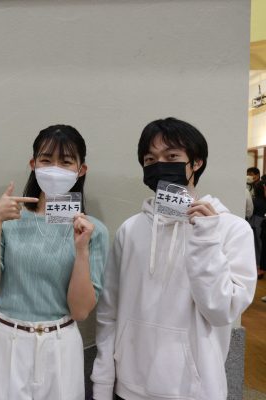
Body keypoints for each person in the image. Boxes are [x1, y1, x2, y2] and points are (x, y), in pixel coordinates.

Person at [91, 117, 257, 400]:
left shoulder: (232, 229)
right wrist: (103, 384)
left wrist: (205, 239)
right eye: (150, 159)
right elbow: (109, 311)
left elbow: (220, 311)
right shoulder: (130, 230)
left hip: (195, 390)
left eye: (171, 157)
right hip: (129, 386)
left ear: (196, 162)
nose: (159, 165)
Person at [0, 124, 109, 400]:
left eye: (66, 161)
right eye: (46, 160)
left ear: (81, 169)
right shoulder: (10, 220)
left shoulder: (92, 230)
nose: (55, 169)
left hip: (61, 344)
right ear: (33, 164)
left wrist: (81, 250)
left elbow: (80, 311)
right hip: (8, 341)